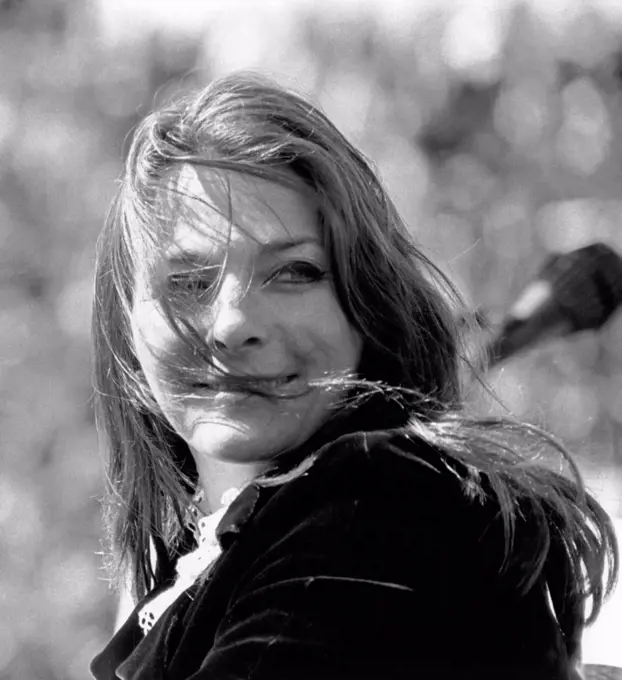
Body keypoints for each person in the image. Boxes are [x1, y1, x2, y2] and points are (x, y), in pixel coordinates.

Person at [90, 72, 618, 680]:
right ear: (128, 325)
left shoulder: (381, 505)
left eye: (295, 271)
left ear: (366, 306)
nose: (233, 324)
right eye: (186, 281)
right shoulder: (206, 558)